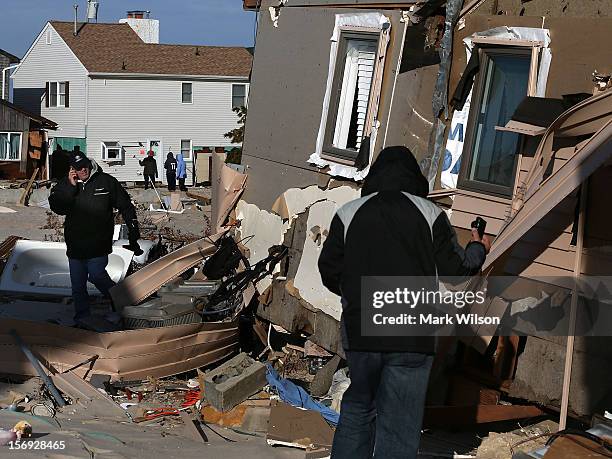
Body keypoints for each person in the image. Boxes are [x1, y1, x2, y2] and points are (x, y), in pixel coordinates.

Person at [318, 146, 490, 459]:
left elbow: (328, 269)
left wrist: (355, 297)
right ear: (415, 178)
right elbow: (457, 271)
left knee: (358, 410)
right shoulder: (430, 214)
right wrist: (478, 249)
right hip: (412, 333)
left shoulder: (349, 212)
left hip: (362, 330)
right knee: (399, 423)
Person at [49, 153, 143, 324]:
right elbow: (58, 207)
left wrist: (133, 229)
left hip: (99, 241)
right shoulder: (64, 184)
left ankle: (121, 303)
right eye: (78, 168)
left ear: (89, 163)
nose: (83, 169)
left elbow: (125, 205)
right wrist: (71, 187)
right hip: (76, 244)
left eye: (84, 165)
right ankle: (82, 318)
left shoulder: (106, 181)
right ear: (72, 170)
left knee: (97, 275)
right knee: (78, 286)